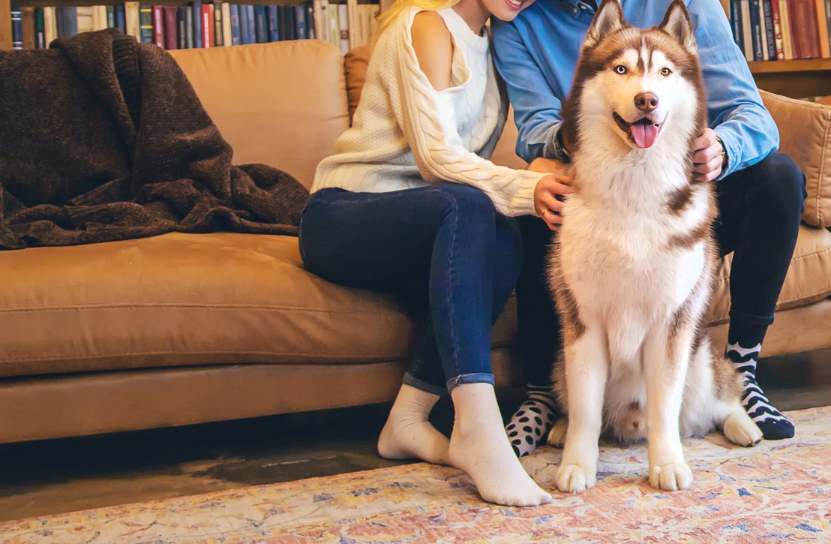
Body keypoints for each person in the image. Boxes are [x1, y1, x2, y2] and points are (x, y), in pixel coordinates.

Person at [493, 0, 805, 457]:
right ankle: (544, 390)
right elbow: (533, 127)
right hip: (597, 193)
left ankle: (742, 370)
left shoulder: (688, 5)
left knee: (779, 179)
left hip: (679, 191)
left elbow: (752, 114)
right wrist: (579, 140)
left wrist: (721, 148)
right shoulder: (519, 21)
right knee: (541, 192)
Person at [298, 0, 569, 507]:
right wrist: (525, 186)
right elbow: (435, 158)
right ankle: (477, 427)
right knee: (472, 205)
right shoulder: (426, 25)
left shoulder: (497, 46)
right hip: (343, 217)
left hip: (426, 224)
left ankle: (406, 420)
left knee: (507, 232)